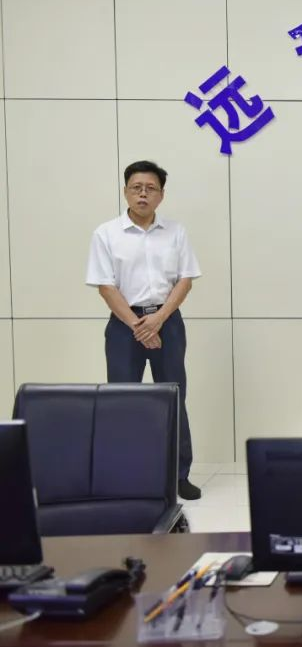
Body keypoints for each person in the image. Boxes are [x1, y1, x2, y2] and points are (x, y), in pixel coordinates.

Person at [85, 161, 202, 500]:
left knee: (174, 396)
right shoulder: (106, 234)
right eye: (136, 187)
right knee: (122, 402)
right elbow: (105, 286)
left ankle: (179, 475)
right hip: (125, 326)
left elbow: (185, 280)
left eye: (151, 188)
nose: (143, 194)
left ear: (161, 195)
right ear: (125, 191)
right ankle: (126, 475)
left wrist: (158, 320)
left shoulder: (176, 232)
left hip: (168, 322)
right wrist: (140, 327)